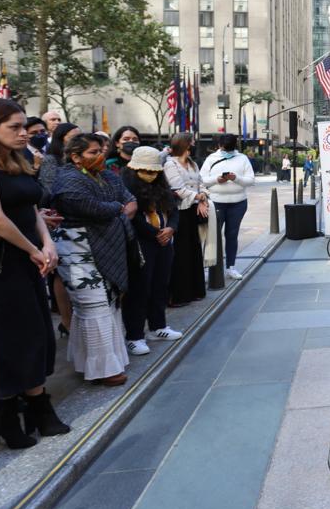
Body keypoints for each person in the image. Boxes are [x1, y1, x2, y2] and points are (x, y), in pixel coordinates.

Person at [0, 99, 69, 447]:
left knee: (38, 336)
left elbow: (30, 207)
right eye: (15, 128)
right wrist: (35, 249)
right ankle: (14, 413)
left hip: (29, 260)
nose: (24, 133)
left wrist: (47, 243)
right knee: (11, 341)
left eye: (25, 126)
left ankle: (30, 408)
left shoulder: (15, 160)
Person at [50, 133, 137, 386]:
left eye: (101, 150)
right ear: (75, 157)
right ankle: (103, 369)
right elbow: (92, 207)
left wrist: (118, 207)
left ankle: (97, 361)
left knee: (107, 303)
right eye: (93, 152)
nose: (100, 155)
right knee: (93, 306)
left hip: (107, 247)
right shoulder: (67, 180)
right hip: (76, 251)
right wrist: (118, 208)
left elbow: (129, 200)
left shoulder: (107, 176)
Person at [121, 147, 183, 355]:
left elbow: (174, 210)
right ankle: (134, 335)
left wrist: (171, 229)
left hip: (164, 243)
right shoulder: (127, 187)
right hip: (141, 243)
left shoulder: (162, 186)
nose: (150, 175)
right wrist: (156, 233)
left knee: (160, 285)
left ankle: (158, 326)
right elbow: (134, 218)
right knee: (139, 289)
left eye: (154, 171)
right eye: (145, 171)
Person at [37, 122, 81, 337]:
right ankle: (67, 321)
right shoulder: (51, 160)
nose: (76, 139)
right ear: (60, 138)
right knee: (62, 273)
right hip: (58, 219)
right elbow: (49, 189)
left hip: (80, 220)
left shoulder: (80, 159)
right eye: (72, 136)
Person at [164, 133, 210, 306]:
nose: (194, 144)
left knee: (194, 250)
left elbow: (202, 183)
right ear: (184, 144)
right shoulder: (170, 164)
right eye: (191, 142)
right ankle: (179, 295)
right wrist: (199, 197)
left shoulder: (193, 163)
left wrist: (203, 196)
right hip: (179, 211)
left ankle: (195, 290)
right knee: (181, 253)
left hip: (192, 211)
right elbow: (177, 189)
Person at [200, 133, 255, 280]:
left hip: (238, 203)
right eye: (225, 148)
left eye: (229, 148)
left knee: (232, 235)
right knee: (212, 235)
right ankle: (208, 267)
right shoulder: (211, 159)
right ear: (219, 146)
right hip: (216, 202)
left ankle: (230, 266)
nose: (227, 151)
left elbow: (250, 180)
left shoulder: (242, 159)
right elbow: (202, 179)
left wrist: (236, 178)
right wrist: (217, 180)